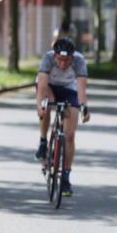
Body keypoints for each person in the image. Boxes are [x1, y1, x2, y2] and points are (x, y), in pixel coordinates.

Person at [35, 38, 90, 196]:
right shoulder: (48, 59)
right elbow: (42, 87)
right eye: (60, 60)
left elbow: (81, 90)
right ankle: (44, 141)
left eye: (67, 60)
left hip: (69, 89)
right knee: (47, 104)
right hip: (49, 87)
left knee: (70, 135)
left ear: (73, 57)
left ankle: (65, 177)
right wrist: (40, 107)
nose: (63, 64)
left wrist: (84, 108)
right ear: (55, 56)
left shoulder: (79, 61)